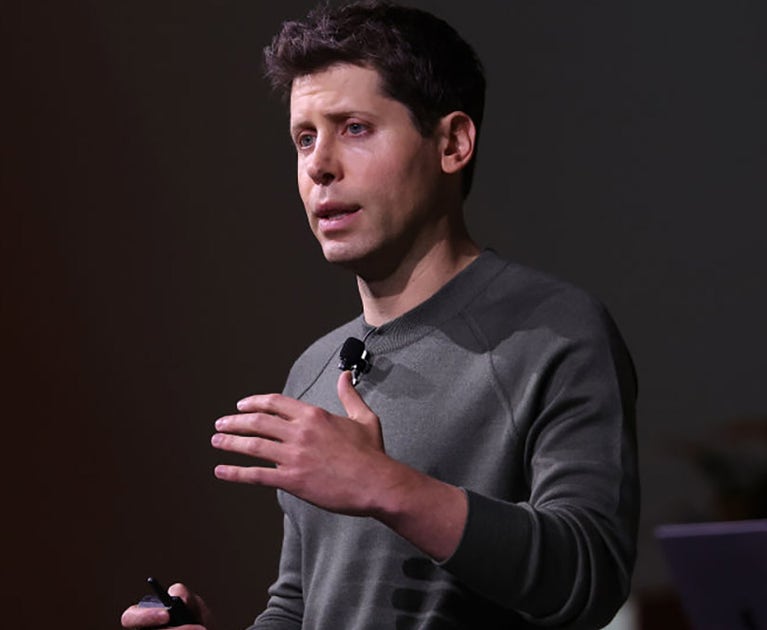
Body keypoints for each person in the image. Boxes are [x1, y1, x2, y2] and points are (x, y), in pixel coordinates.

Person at [121, 2, 638, 628]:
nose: (319, 165)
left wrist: (385, 486)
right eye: (304, 138)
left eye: (355, 128)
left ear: (452, 143)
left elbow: (589, 574)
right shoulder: (314, 369)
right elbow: (299, 605)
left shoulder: (552, 331)